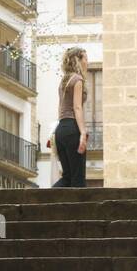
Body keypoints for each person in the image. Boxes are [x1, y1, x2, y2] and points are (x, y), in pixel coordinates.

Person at [52, 46, 89, 188]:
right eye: (85, 59)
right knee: (78, 178)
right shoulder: (78, 79)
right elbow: (77, 107)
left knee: (67, 178)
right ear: (77, 60)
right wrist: (83, 133)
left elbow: (61, 108)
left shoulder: (64, 81)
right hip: (73, 129)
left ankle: (43, 198)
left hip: (60, 130)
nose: (87, 62)